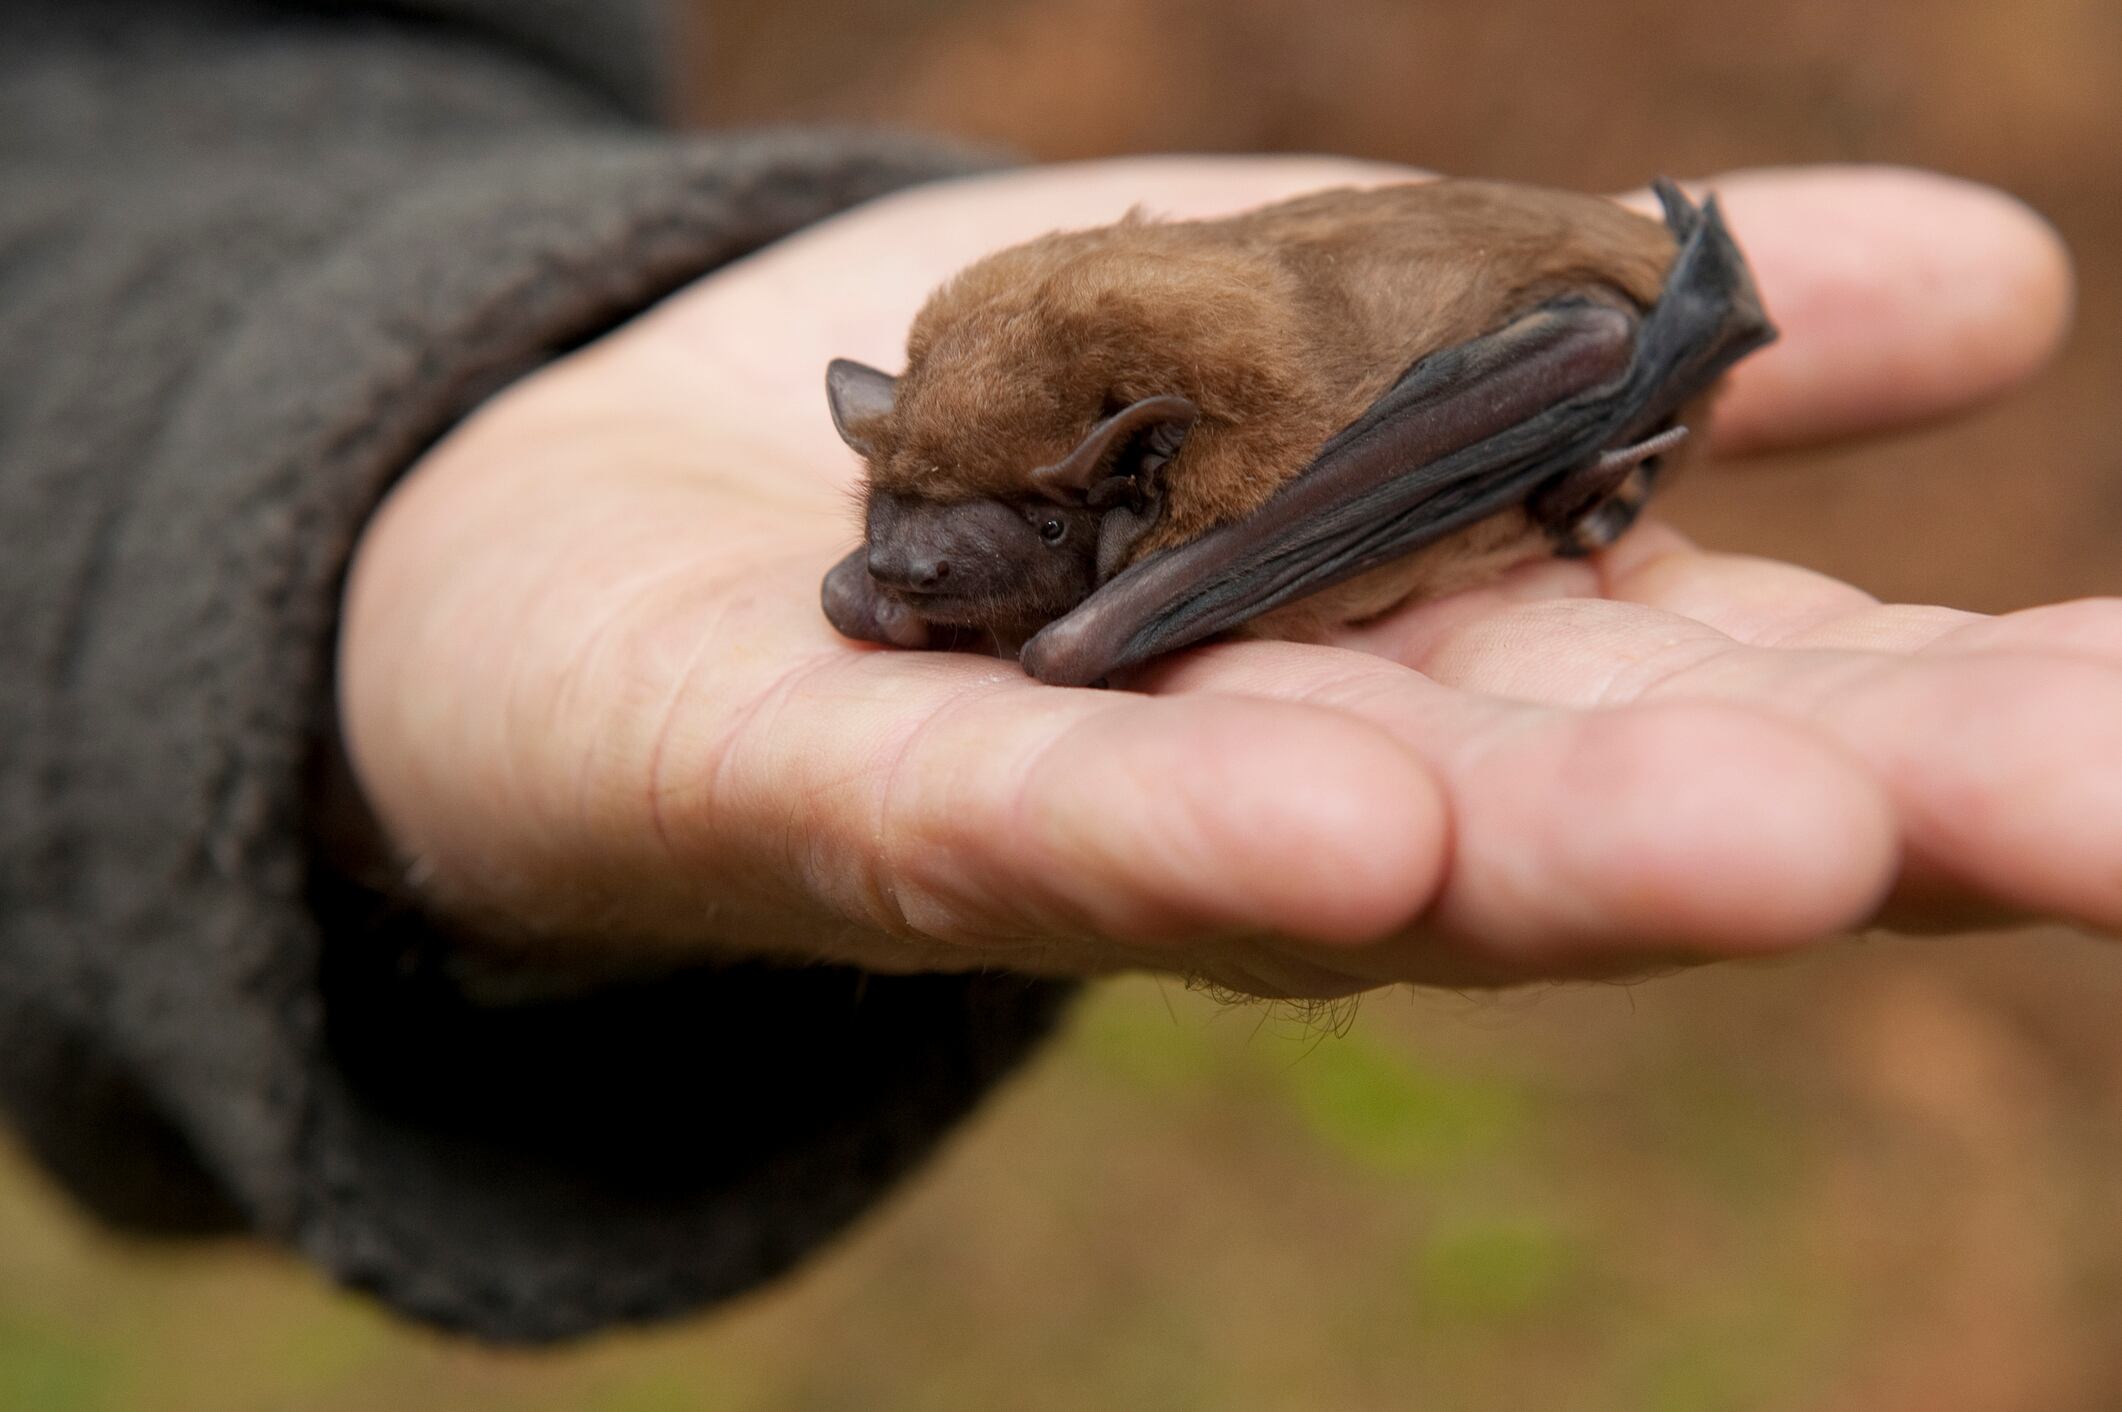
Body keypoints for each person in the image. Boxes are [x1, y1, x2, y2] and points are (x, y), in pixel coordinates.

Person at [3, 0, 2111, 1344]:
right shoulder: (1033, 420)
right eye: (891, 506)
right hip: (1388, 334)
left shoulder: (1254, 460)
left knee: (1126, 647)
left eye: (981, 539)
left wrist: (1126, 614)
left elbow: (1507, 356)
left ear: (1140, 479)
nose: (902, 573)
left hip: (1540, 349)